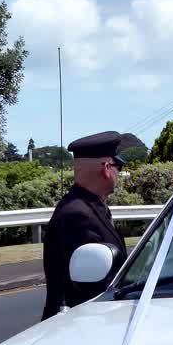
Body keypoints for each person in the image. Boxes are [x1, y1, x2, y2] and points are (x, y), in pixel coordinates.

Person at [40, 131, 144, 320]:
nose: (118, 173)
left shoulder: (88, 207)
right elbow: (94, 283)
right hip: (79, 325)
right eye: (118, 167)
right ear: (106, 168)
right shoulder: (78, 215)